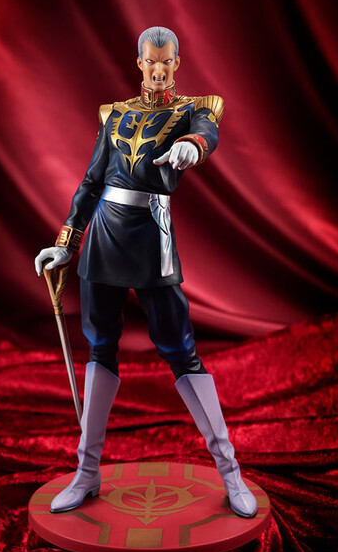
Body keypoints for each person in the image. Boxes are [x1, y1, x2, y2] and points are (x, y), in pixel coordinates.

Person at [35, 26, 257, 518]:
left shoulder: (194, 109)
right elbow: (91, 182)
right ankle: (87, 472)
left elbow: (208, 131)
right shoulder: (114, 114)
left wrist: (194, 145)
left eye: (167, 61)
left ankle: (230, 472)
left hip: (153, 236)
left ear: (177, 62)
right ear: (140, 62)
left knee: (180, 348)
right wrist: (66, 243)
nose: (159, 70)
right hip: (104, 236)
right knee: (100, 346)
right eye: (151, 61)